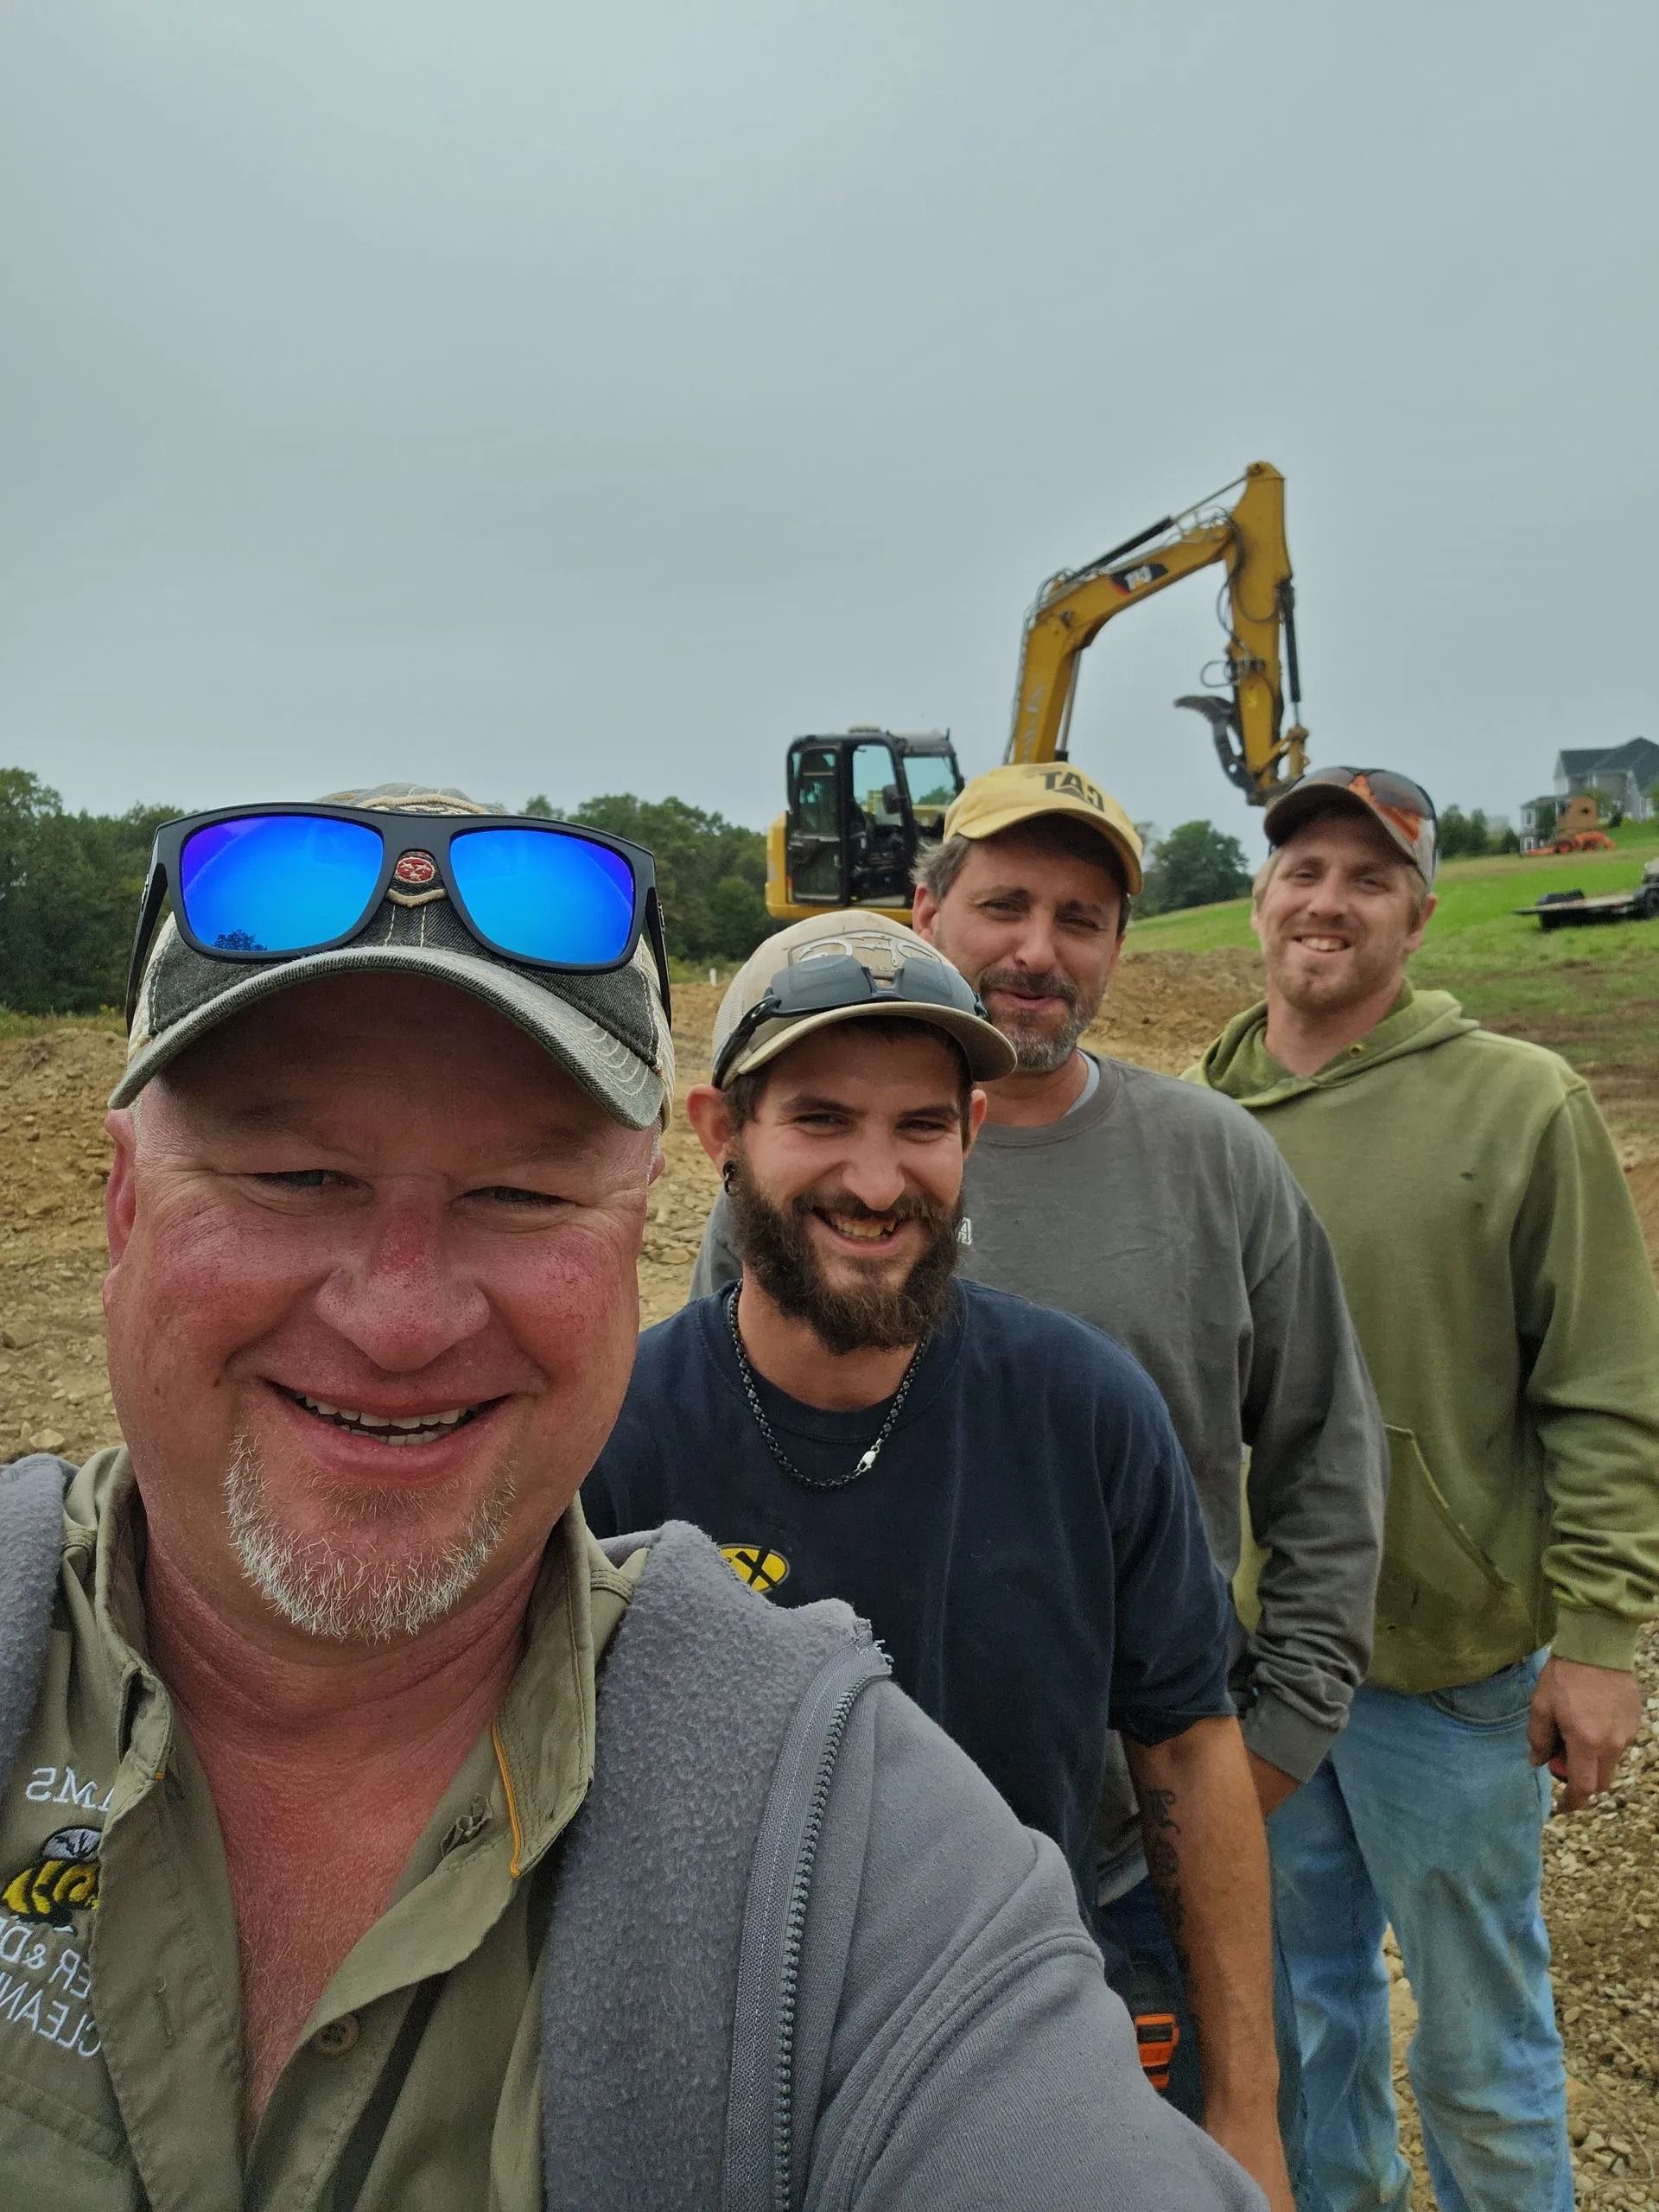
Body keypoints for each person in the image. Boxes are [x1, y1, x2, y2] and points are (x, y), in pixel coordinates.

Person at [0, 785, 1267, 2212]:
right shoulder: (652, 1425)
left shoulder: (859, 1837)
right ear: (118, 1209)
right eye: (294, 1174)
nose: (401, 1319)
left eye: (525, 1194)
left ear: (627, 1225)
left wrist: (1245, 2106)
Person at [690, 764, 1387, 2160]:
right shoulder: (785, 1209)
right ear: (928, 906)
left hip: (1130, 1852)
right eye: (1004, 903)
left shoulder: (1217, 1162)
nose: (1038, 948)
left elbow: (1322, 1452)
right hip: (826, 1866)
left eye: (1083, 916)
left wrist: (1276, 1740)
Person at [587, 910, 1295, 2210]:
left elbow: (1188, 1748)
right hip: (713, 2083)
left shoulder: (1084, 1410)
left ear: (971, 1134)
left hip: (1018, 2060)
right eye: (820, 1120)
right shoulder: (616, 1433)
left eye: (920, 1126)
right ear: (718, 1132)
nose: (875, 1179)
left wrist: (1245, 2112)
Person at [1192, 764, 1659, 2212]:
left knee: (1478, 2037)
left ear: (1420, 917)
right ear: (1261, 902)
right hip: (1259, 1670)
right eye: (1302, 873)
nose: (1327, 902)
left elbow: (1602, 1385)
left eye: (1368, 879)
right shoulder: (1199, 1119)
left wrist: (1599, 1641)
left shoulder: (1522, 1105)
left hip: (1444, 1663)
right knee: (1306, 2023)